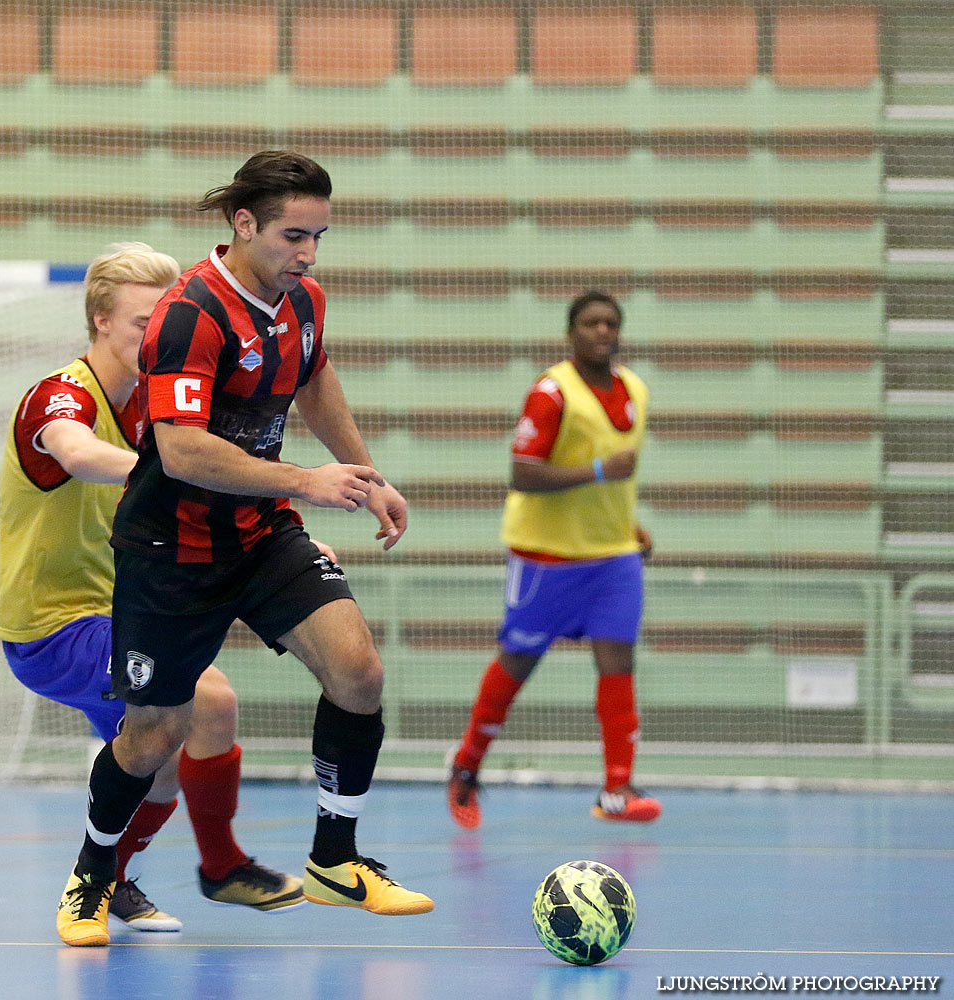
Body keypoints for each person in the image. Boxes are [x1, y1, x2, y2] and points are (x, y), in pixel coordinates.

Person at [54, 151, 434, 949]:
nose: (309, 254)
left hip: (259, 535)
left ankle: (337, 859)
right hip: (172, 548)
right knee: (154, 735)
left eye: (320, 237)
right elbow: (185, 451)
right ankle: (93, 873)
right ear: (244, 224)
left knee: (358, 671)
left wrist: (365, 477)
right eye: (295, 236)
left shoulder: (302, 300)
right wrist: (306, 480)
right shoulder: (190, 313)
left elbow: (314, 378)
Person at [0, 242, 304, 935]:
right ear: (101, 320)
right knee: (209, 697)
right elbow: (74, 451)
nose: (155, 339)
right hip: (53, 625)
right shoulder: (61, 395)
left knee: (163, 757)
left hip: (122, 615)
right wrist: (162, 469)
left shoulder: (158, 407)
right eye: (141, 324)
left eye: (164, 326)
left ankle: (112, 881)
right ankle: (220, 867)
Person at [446, 290, 662, 830]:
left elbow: (614, 484)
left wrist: (627, 526)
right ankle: (467, 765)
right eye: (591, 323)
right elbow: (523, 474)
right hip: (545, 557)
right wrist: (596, 471)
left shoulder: (635, 389)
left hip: (612, 557)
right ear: (571, 333)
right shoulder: (551, 392)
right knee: (517, 664)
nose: (602, 332)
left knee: (618, 663)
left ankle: (618, 788)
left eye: (611, 323)